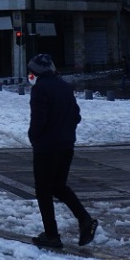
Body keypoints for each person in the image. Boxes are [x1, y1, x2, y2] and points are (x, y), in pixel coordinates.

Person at [26, 53, 96, 249]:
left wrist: (34, 137)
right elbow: (77, 116)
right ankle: (85, 219)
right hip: (66, 145)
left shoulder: (40, 89)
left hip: (47, 147)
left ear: (35, 72)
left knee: (43, 191)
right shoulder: (64, 86)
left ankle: (51, 235)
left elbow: (39, 120)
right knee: (58, 186)